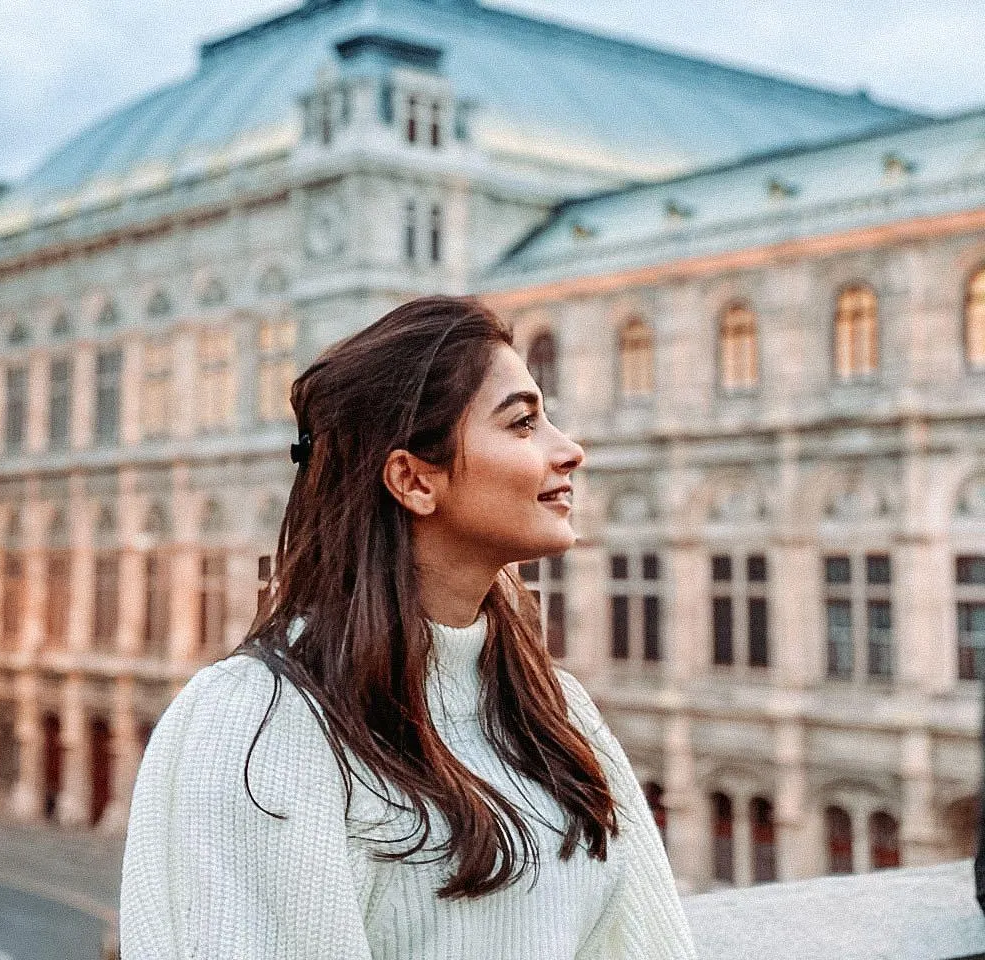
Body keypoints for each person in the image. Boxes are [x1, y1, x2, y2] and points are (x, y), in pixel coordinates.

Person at [120, 297, 697, 959]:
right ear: (414, 480)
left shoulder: (559, 712)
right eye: (521, 424)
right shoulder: (257, 723)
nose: (569, 450)